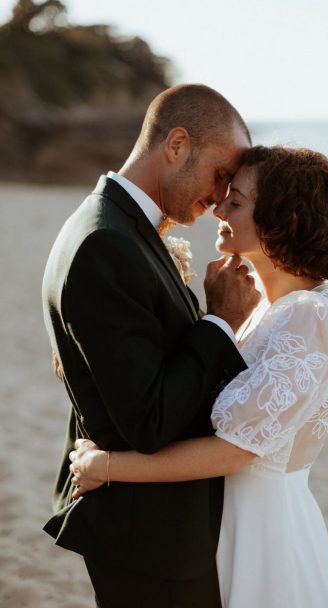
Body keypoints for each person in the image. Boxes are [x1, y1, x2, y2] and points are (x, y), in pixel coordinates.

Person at [69, 145, 328, 608]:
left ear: (283, 219)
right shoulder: (266, 308)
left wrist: (106, 467)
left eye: (237, 201)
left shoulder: (311, 318)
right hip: (219, 523)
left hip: (262, 535)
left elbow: (234, 452)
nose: (218, 210)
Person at [42, 83, 261, 608]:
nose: (217, 200)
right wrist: (219, 323)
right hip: (150, 538)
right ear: (178, 144)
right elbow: (150, 420)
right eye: (219, 176)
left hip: (153, 528)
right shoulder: (106, 242)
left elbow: (125, 368)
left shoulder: (119, 227)